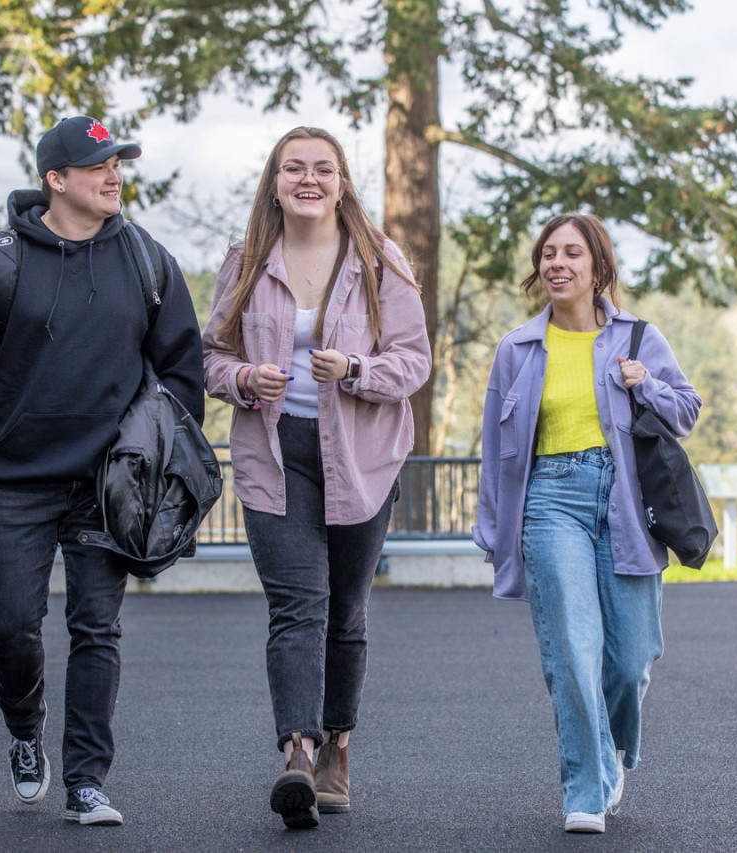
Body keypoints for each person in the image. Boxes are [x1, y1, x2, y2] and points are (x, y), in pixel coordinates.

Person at [0, 116, 205, 825]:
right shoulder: (2, 264)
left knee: (97, 626)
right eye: (98, 165)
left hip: (106, 487)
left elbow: (183, 369)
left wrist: (157, 453)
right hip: (17, 482)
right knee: (11, 627)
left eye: (118, 162)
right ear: (55, 180)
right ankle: (26, 729)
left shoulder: (147, 260)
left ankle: (88, 779)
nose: (114, 174)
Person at [202, 127, 430, 830]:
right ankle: (296, 753)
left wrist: (356, 370)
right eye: (293, 168)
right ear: (274, 181)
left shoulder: (377, 259)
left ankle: (337, 747)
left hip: (360, 454)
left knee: (345, 610)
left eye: (322, 169)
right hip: (276, 453)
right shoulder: (245, 261)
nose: (308, 179)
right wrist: (243, 377)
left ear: (341, 182)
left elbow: (413, 360)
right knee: (297, 603)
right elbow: (210, 355)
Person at [473, 213, 701, 834]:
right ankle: (584, 787)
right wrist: (492, 526)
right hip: (549, 501)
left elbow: (686, 411)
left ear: (598, 267)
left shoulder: (637, 338)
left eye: (572, 253)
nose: (557, 263)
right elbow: (496, 448)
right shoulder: (517, 349)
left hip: (624, 502)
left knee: (631, 660)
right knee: (572, 649)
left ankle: (613, 754)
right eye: (548, 253)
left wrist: (646, 383)